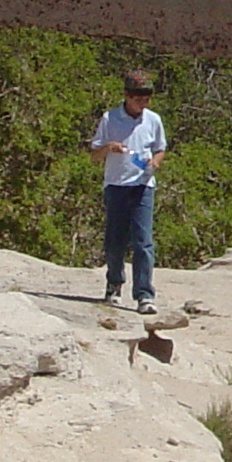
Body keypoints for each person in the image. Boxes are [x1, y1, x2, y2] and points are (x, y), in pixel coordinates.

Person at [87, 70, 168, 313]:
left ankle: (144, 294)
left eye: (146, 97)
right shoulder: (110, 119)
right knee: (115, 240)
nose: (142, 102)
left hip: (142, 185)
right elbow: (93, 154)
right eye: (137, 97)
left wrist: (155, 161)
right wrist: (108, 147)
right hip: (116, 185)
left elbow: (160, 148)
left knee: (143, 241)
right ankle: (114, 284)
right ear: (126, 95)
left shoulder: (152, 120)